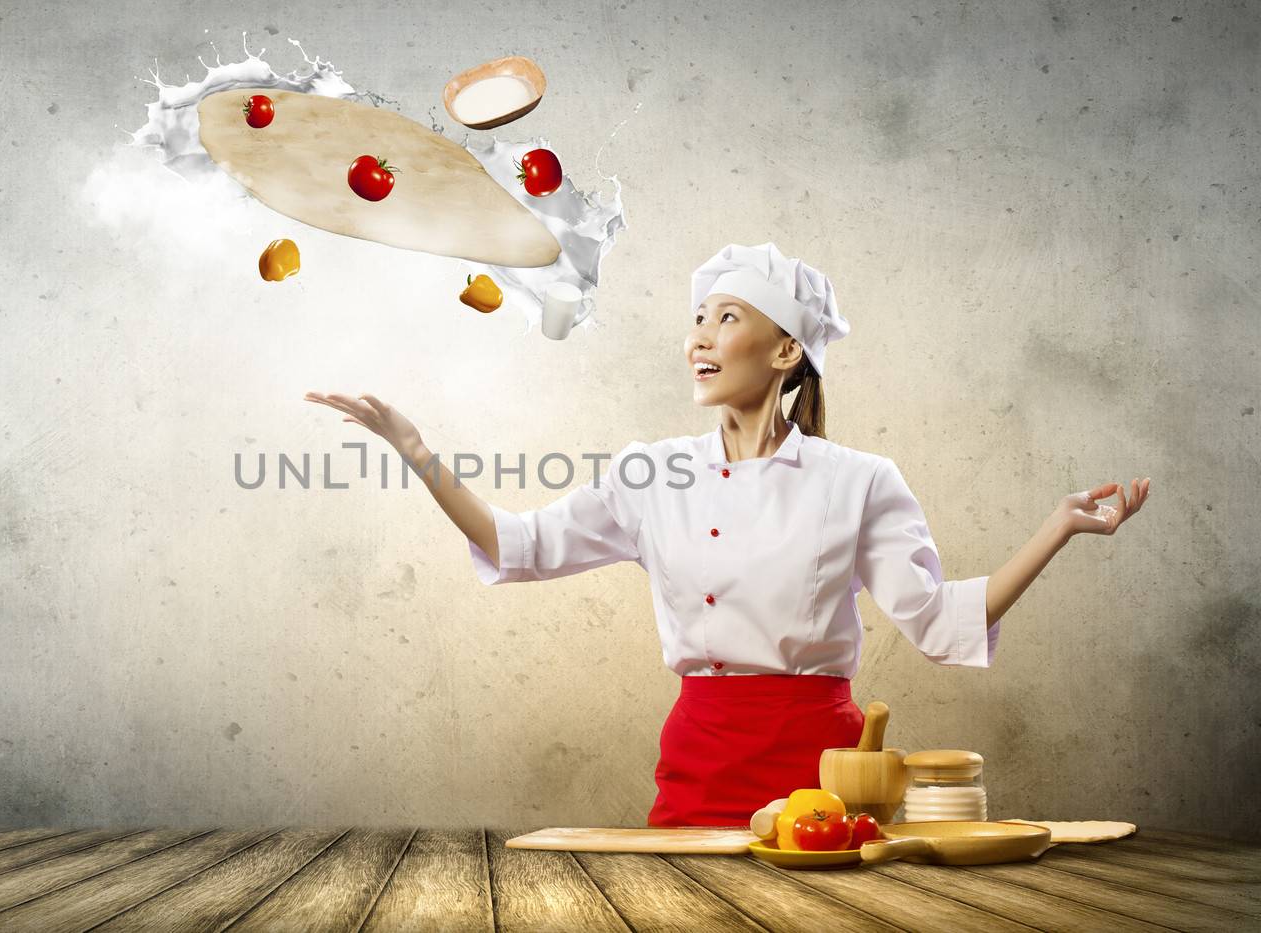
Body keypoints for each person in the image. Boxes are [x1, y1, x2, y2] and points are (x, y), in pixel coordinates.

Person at [304, 241, 1149, 828]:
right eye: (697, 318)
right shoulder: (651, 472)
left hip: (821, 769)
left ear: (786, 351)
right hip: (698, 760)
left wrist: (1056, 528)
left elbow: (939, 621)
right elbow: (520, 545)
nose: (699, 337)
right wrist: (418, 454)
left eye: (726, 318)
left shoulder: (859, 480)